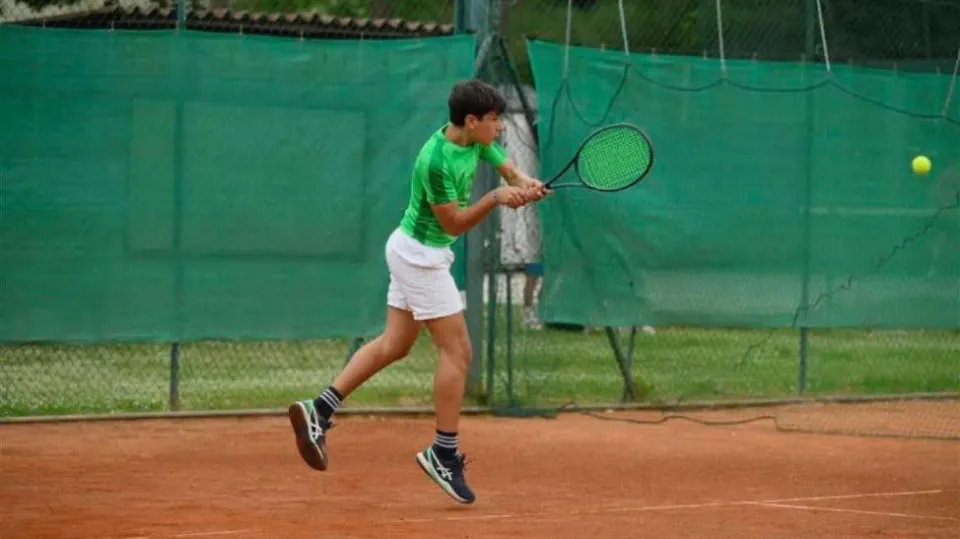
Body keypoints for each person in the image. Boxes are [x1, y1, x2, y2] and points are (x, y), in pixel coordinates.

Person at [287, 79, 549, 505]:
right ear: (470, 121)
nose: (499, 127)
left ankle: (319, 411)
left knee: (395, 344)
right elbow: (453, 225)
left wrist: (526, 183)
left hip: (415, 251)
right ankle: (443, 452)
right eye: (494, 120)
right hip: (421, 257)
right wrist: (498, 199)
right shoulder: (435, 161)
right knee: (459, 352)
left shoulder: (475, 141)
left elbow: (508, 169)